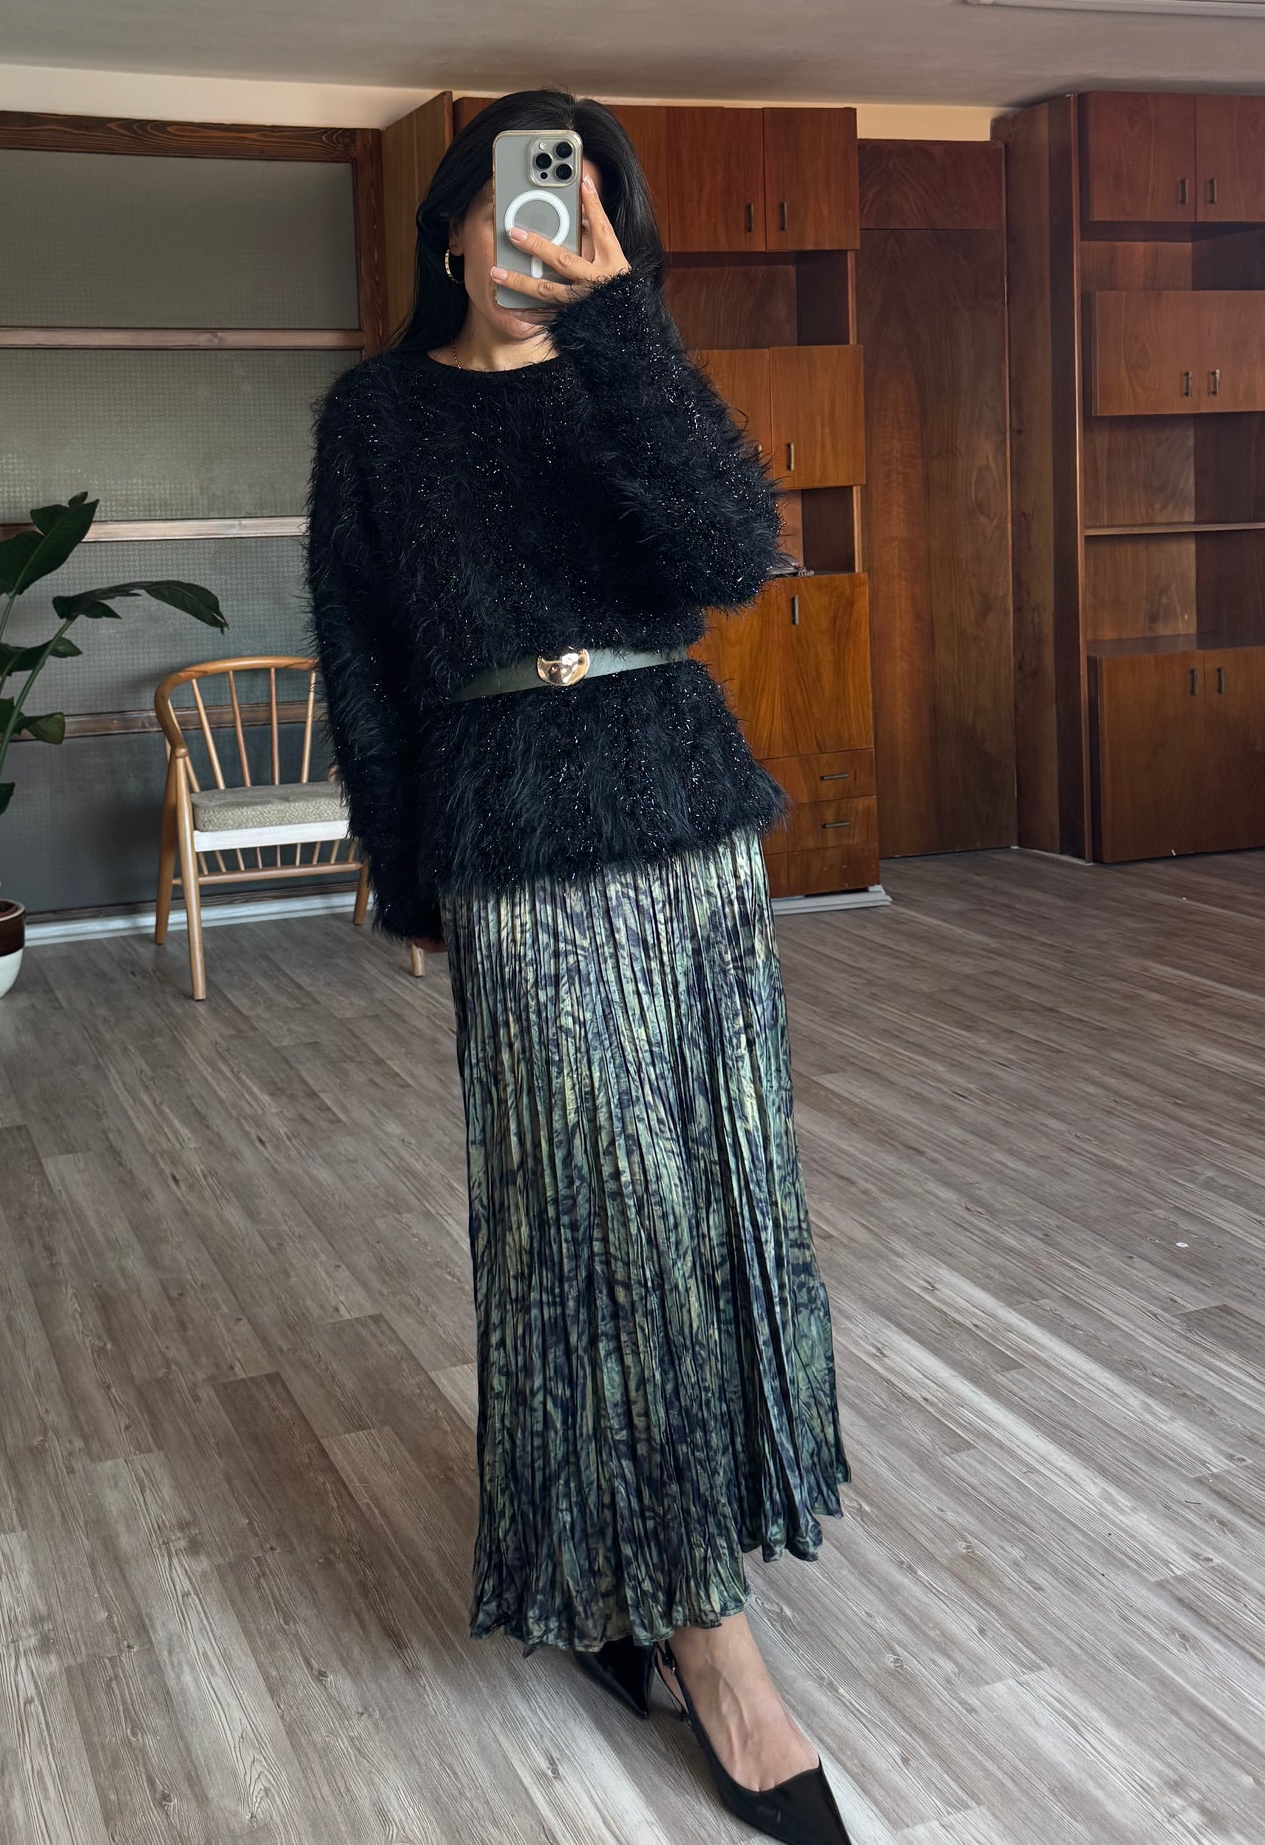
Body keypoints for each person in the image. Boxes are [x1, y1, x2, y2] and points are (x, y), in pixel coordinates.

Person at [307, 90, 853, 1844]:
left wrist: (621, 332)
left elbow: (729, 556)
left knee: (711, 1203)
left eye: (582, 203)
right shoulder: (375, 417)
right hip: (509, 834)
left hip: (683, 816)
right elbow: (361, 660)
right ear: (452, 227)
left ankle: (635, 1581)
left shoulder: (628, 378)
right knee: (601, 1226)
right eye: (518, 197)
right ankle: (716, 1651)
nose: (543, 227)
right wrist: (406, 875)